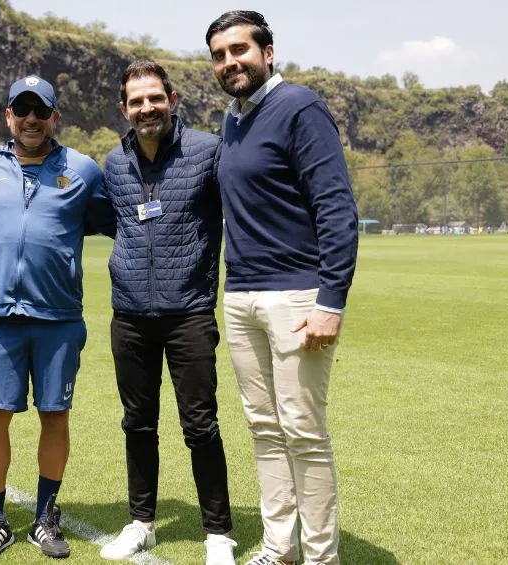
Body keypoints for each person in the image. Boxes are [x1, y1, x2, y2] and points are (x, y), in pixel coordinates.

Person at [205, 11, 359, 565]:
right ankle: (279, 548)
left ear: (268, 52)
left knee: (302, 432)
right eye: (219, 55)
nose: (230, 62)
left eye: (239, 50)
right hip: (241, 294)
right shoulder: (233, 118)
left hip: (297, 297)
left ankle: (321, 557)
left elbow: (337, 208)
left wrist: (330, 301)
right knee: (265, 430)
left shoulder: (300, 107)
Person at [0, 75, 115, 563]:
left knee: (55, 415)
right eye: (21, 110)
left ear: (55, 117)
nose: (31, 119)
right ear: (8, 116)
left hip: (59, 318)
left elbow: (110, 221)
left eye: (40, 111)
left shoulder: (84, 170)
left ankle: (45, 518)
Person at [99, 60, 237, 565]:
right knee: (138, 423)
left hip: (190, 315)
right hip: (130, 316)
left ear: (172, 99)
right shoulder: (114, 163)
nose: (146, 108)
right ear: (124, 108)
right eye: (136, 101)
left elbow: (241, 203)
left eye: (155, 97)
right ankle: (142, 524)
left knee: (200, 425)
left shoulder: (207, 151)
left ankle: (218, 535)